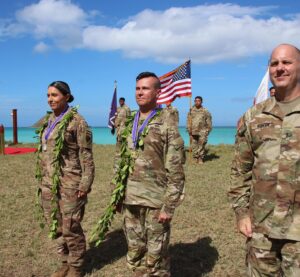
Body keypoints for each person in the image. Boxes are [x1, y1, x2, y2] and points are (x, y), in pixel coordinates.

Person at [228, 44, 300, 276]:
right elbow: (240, 170)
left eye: (286, 62)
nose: (279, 68)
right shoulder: (254, 116)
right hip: (261, 230)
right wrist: (241, 214)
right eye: (274, 63)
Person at [114, 72, 185, 276]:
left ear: (157, 92)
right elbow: (119, 160)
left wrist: (169, 206)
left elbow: (176, 169)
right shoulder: (127, 123)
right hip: (130, 198)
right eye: (137, 88)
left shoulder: (166, 124)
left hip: (156, 201)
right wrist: (116, 195)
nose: (140, 92)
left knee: (156, 257)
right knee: (134, 252)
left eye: (145, 88)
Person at [36, 81, 95, 277]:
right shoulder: (47, 120)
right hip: (49, 183)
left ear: (67, 97)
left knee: (71, 227)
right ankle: (64, 263)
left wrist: (85, 183)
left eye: (55, 95)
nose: (50, 99)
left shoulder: (78, 122)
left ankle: (76, 267)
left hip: (71, 183)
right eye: (48, 95)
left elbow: (86, 155)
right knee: (57, 225)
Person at [186, 96, 212, 164]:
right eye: (196, 101)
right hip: (193, 131)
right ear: (194, 101)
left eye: (199, 101)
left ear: (201, 102)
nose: (197, 102)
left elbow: (209, 121)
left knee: (201, 145)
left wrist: (207, 131)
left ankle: (200, 158)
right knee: (194, 145)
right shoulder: (191, 110)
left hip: (202, 131)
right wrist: (189, 130)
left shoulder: (205, 111)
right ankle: (195, 157)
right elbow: (188, 121)